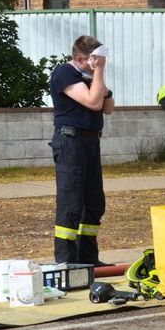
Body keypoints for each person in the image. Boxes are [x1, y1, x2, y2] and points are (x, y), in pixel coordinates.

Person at [50, 35, 115, 264]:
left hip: (90, 142)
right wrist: (97, 74)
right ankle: (66, 260)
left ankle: (88, 257)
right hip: (70, 143)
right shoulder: (65, 74)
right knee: (71, 203)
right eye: (94, 59)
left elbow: (107, 108)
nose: (99, 63)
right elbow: (93, 102)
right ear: (79, 58)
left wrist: (97, 75)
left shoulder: (90, 76)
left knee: (94, 202)